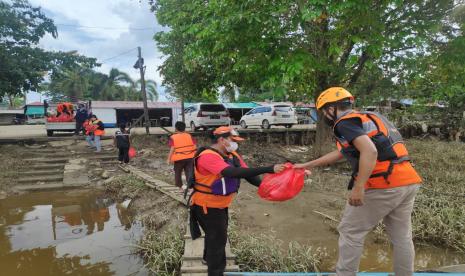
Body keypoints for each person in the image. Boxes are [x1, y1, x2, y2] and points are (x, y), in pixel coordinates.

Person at [294, 87, 422, 276]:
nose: (324, 116)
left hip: (382, 183)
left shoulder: (344, 123)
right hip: (408, 180)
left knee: (351, 231)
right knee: (401, 236)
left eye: (323, 112)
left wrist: (359, 187)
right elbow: (343, 152)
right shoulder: (368, 118)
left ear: (331, 109)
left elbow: (370, 151)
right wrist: (308, 164)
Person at [189, 126, 285, 276]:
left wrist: (265, 187)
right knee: (218, 242)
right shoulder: (208, 156)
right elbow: (232, 172)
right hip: (207, 206)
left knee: (214, 235)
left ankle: (208, 259)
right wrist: (269, 168)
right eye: (232, 140)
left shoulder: (232, 154)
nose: (235, 144)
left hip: (220, 204)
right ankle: (215, 271)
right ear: (222, 139)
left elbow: (247, 174)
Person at [167, 121, 197, 191]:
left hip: (179, 158)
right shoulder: (189, 135)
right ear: (184, 128)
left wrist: (168, 159)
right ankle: (191, 187)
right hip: (190, 157)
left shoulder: (173, 137)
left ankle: (179, 187)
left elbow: (172, 149)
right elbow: (195, 146)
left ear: (176, 128)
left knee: (178, 172)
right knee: (189, 172)